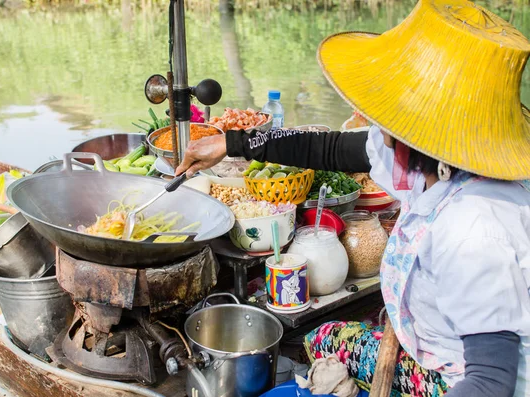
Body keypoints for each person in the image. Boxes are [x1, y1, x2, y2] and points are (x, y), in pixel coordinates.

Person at [177, 0, 530, 396]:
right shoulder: (435, 163)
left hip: (459, 380)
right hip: (436, 344)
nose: (376, 132)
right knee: (323, 338)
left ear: (413, 136)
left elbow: (490, 382)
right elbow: (330, 149)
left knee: (326, 342)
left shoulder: (475, 229)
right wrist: (231, 142)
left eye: (384, 123)